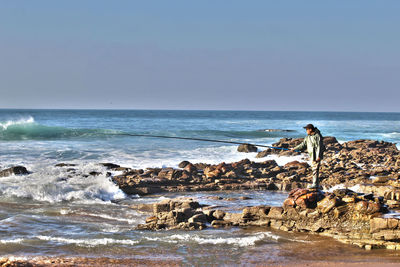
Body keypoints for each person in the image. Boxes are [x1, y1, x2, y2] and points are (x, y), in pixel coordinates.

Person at [291, 124, 325, 189]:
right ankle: (315, 184)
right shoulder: (308, 137)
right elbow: (303, 145)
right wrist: (295, 149)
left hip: (316, 156)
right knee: (314, 169)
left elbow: (320, 146)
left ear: (310, 129)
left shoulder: (317, 136)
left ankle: (315, 184)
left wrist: (319, 156)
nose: (306, 131)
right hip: (312, 155)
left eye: (307, 129)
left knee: (315, 169)